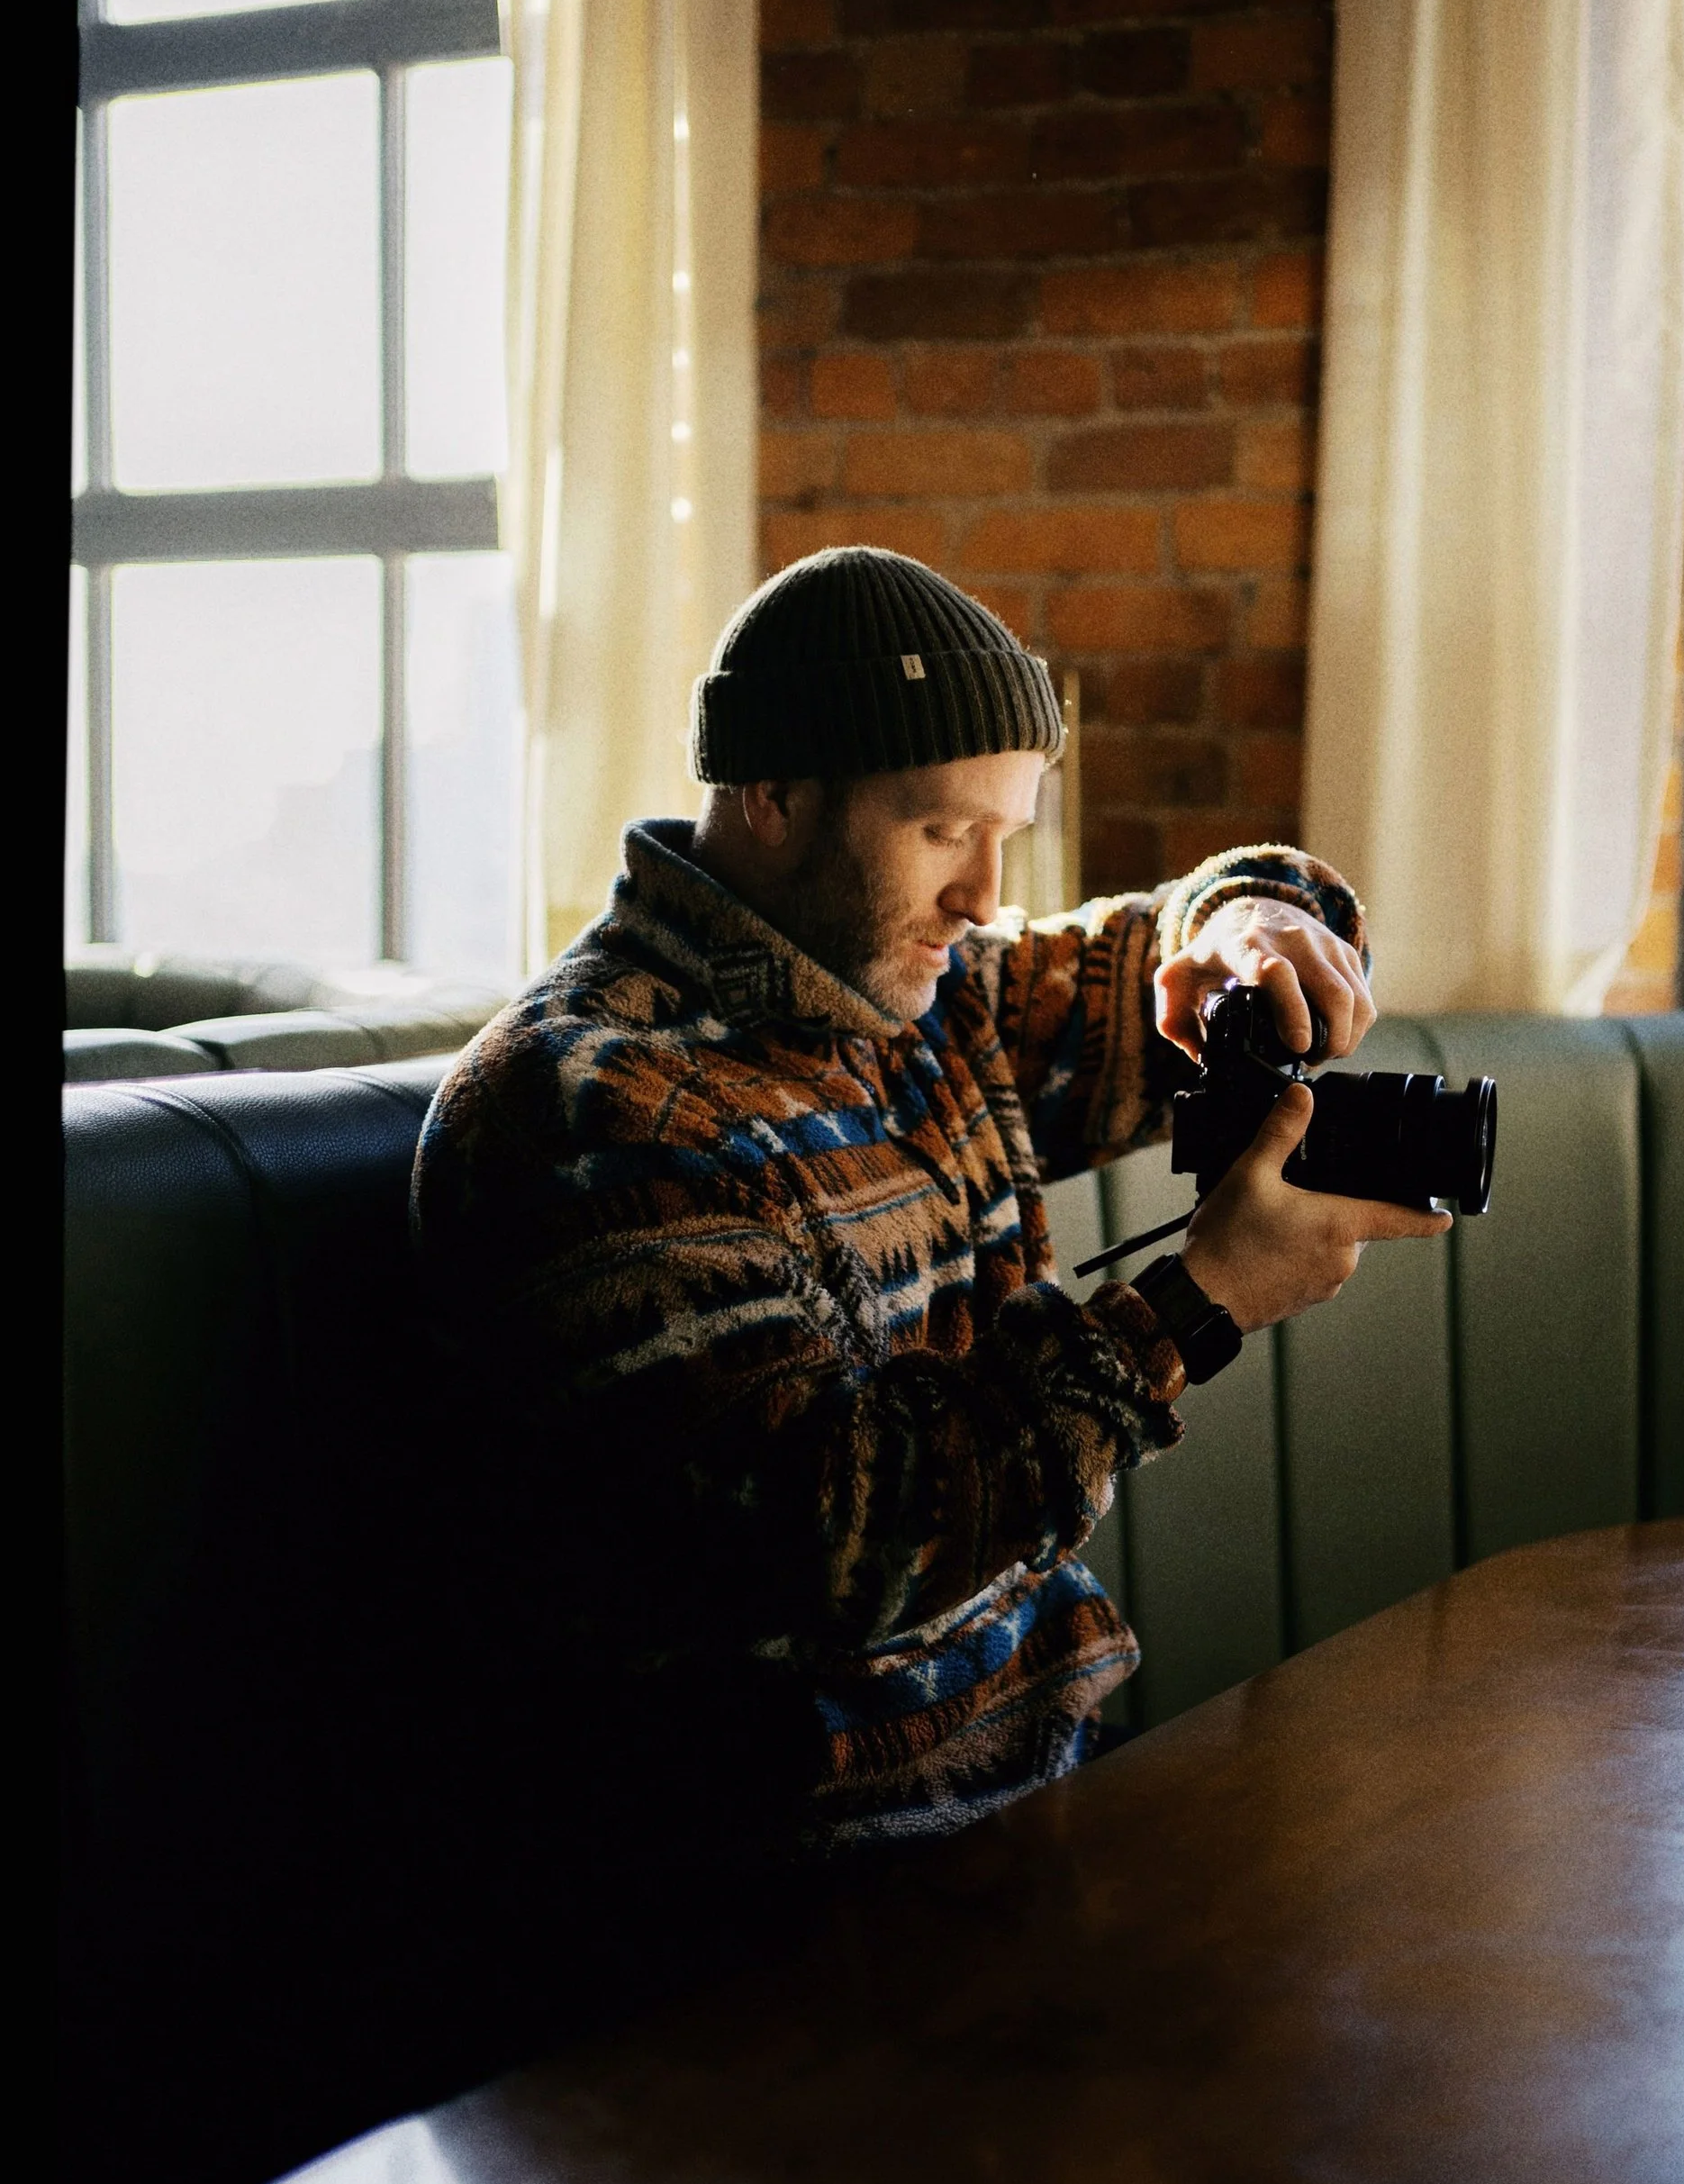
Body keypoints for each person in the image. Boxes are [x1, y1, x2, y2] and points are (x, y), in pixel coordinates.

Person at [413, 546, 1446, 1870]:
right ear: (773, 794)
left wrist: (1244, 925)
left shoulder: (911, 989)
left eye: (1004, 833)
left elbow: (1146, 957)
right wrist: (1196, 1304)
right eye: (943, 830)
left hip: (1035, 1791)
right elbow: (840, 1545)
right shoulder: (599, 1106)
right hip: (776, 1896)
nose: (984, 893)